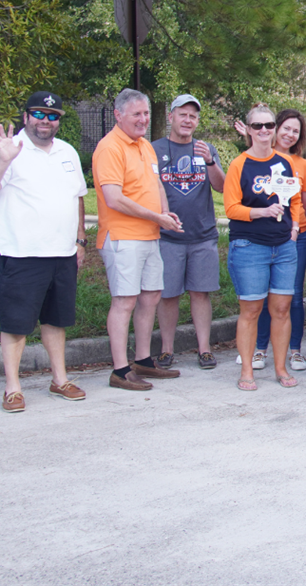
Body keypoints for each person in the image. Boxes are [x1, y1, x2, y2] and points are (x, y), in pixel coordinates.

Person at [0, 91, 89, 412]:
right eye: (38, 114)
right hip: (21, 254)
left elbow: (78, 196)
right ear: (26, 117)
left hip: (62, 254)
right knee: (16, 324)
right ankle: (12, 388)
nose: (45, 121)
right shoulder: (8, 151)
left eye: (52, 116)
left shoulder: (67, 152)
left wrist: (80, 240)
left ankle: (60, 380)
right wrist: (4, 159)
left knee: (55, 321)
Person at [93, 88, 183, 390]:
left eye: (146, 113)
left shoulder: (145, 146)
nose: (143, 119)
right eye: (137, 114)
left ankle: (143, 360)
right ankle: (120, 370)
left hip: (149, 235)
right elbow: (114, 199)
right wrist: (157, 218)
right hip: (122, 238)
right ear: (118, 115)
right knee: (125, 301)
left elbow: (156, 183)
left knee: (151, 297)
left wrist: (166, 214)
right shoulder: (110, 148)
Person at [224, 104, 304, 391]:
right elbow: (231, 208)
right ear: (248, 129)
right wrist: (262, 212)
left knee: (282, 309)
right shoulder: (239, 164)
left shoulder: (284, 162)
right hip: (249, 246)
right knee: (251, 310)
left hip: (283, 245)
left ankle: (280, 368)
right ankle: (247, 369)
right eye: (257, 126)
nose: (264, 131)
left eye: (268, 125)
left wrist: (294, 227)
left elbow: (294, 198)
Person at [152, 94, 225, 370]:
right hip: (167, 236)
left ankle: (204, 349)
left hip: (202, 236)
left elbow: (221, 186)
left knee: (200, 293)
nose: (187, 120)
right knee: (168, 294)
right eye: (182, 114)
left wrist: (210, 161)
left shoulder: (205, 148)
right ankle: (167, 350)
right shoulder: (155, 149)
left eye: (193, 116)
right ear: (171, 117)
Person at [241, 109, 306, 371]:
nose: (290, 134)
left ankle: (294, 351)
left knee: (291, 298)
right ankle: (260, 349)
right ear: (276, 128)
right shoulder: (258, 157)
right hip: (262, 235)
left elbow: (305, 203)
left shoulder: (303, 165)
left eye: (296, 131)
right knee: (261, 297)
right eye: (286, 128)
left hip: (296, 236)